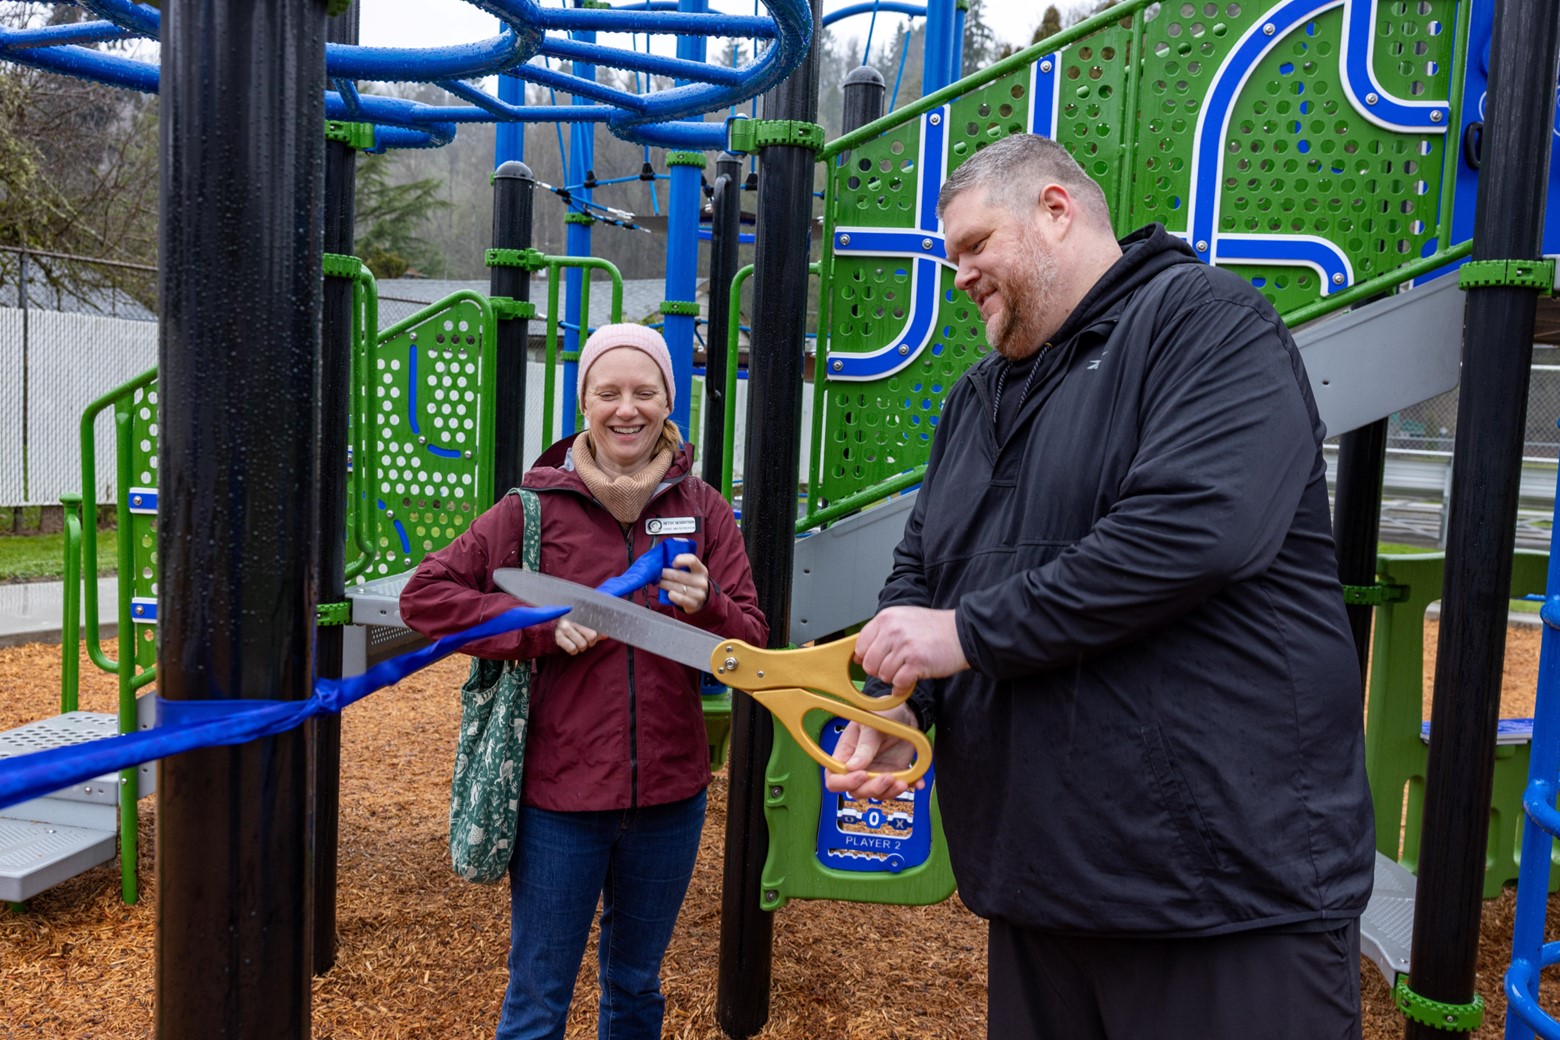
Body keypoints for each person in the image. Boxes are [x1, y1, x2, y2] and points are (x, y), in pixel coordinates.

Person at [826, 134, 1376, 1039]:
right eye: (951, 255)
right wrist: (900, 708)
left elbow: (1194, 533)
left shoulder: (1207, 322)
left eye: (974, 245)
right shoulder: (977, 396)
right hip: (1040, 884)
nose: (960, 274)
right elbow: (920, 572)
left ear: (1055, 208)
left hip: (1219, 896)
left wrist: (961, 635)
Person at [399, 323, 767, 1040]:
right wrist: (536, 627)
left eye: (644, 392)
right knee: (539, 998)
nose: (626, 409)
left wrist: (711, 606)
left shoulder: (703, 510)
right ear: (584, 404)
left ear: (669, 401)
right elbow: (426, 597)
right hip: (559, 802)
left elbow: (753, 643)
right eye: (609, 392)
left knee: (635, 990)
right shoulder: (534, 509)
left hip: (669, 799)